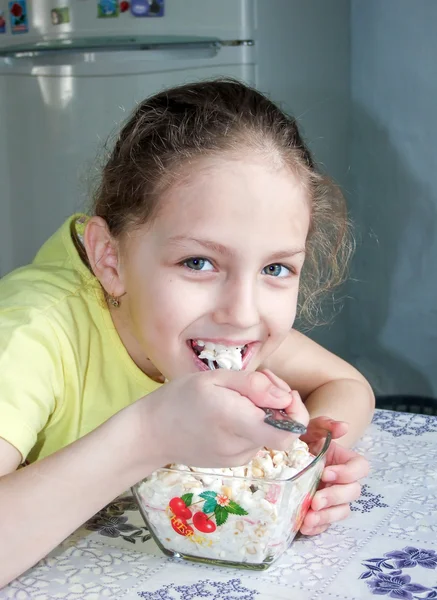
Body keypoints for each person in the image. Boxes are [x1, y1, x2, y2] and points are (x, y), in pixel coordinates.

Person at [0, 79, 374, 587]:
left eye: (277, 269)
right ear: (111, 260)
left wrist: (310, 460)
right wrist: (150, 435)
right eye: (198, 262)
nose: (242, 314)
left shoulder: (216, 332)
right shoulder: (31, 336)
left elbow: (348, 386)